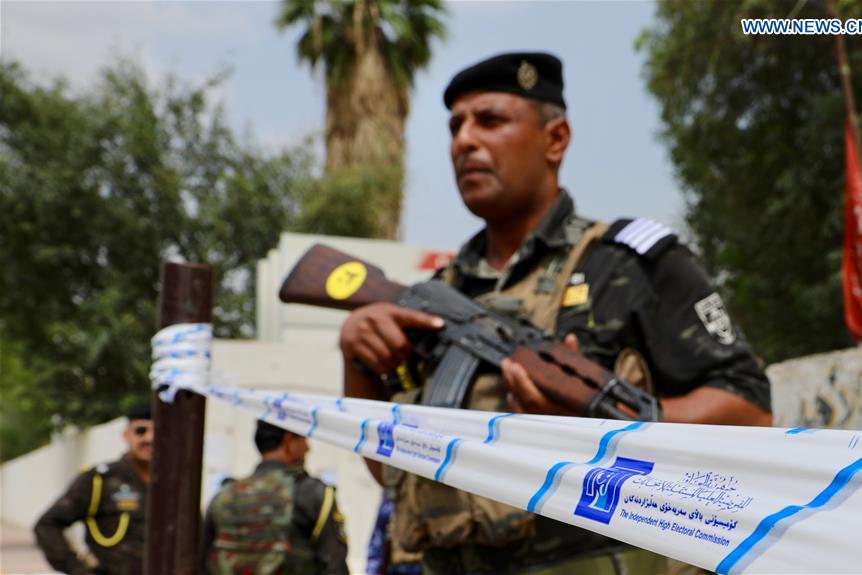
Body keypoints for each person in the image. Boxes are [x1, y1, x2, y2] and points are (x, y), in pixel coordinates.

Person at [337, 52, 773, 575]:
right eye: (455, 126)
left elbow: (751, 412)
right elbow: (392, 473)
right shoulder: (435, 295)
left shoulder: (627, 265)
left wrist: (605, 427)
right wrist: (358, 361)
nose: (465, 141)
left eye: (490, 120)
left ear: (555, 139)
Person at [203, 420, 349, 575]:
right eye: (303, 439)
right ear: (288, 440)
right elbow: (334, 566)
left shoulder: (223, 497)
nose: (308, 448)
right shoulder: (313, 494)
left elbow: (203, 563)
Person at [34, 402, 154, 575]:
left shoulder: (177, 484)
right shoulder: (100, 479)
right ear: (126, 435)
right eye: (141, 430)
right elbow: (47, 525)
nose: (149, 438)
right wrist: (79, 570)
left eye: (158, 431)